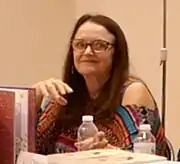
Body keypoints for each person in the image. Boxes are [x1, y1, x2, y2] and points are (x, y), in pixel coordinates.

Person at [33, 14, 170, 158]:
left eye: (99, 45)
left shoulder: (132, 92)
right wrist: (34, 98)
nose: (87, 52)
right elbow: (33, 150)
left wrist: (109, 151)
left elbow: (142, 156)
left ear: (116, 54)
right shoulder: (63, 93)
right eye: (80, 44)